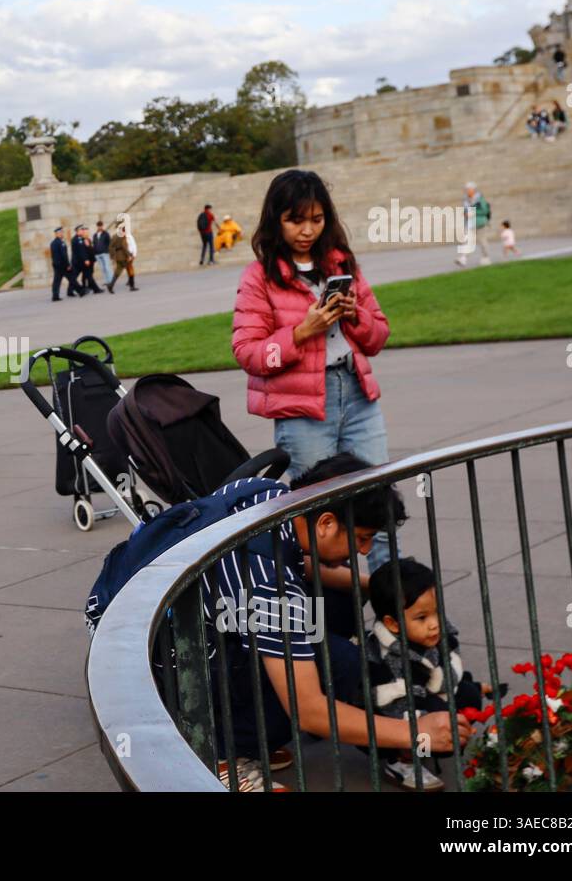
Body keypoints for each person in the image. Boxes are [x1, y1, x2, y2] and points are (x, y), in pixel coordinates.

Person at [205, 455, 470, 791]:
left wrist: (376, 587)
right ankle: (220, 754)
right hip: (185, 675)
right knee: (338, 666)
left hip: (199, 631)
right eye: (362, 537)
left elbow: (296, 559)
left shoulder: (268, 494)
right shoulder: (270, 586)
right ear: (327, 523)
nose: (364, 549)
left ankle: (243, 736)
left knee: (339, 616)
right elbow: (309, 709)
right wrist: (416, 730)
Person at [231, 169, 393, 573]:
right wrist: (302, 332)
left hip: (356, 396)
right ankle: (335, 622)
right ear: (275, 219)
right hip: (302, 411)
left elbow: (378, 337)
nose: (307, 230)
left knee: (378, 509)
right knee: (317, 522)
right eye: (295, 219)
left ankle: (396, 613)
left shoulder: (342, 264)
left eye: (316, 220)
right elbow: (248, 352)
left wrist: (355, 316)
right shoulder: (259, 278)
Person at [364, 557, 488, 790]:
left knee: (469, 696)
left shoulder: (433, 633)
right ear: (393, 624)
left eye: (436, 612)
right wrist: (433, 724)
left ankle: (428, 738)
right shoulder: (389, 659)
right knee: (441, 717)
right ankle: (401, 760)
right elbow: (396, 708)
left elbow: (446, 666)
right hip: (394, 711)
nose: (434, 624)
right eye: (422, 618)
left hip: (426, 692)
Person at [455, 181, 492, 267]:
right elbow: (466, 210)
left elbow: (484, 211)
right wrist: (465, 213)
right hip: (470, 223)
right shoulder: (465, 200)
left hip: (480, 223)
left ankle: (486, 257)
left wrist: (473, 213)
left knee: (482, 241)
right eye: (466, 189)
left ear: (473, 190)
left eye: (469, 189)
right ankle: (463, 258)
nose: (467, 191)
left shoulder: (480, 199)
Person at [107, 217, 137, 292]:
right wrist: (130, 255)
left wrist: (113, 256)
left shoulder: (114, 236)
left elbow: (110, 247)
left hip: (118, 256)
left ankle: (111, 285)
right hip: (123, 256)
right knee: (130, 270)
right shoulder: (122, 236)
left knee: (118, 271)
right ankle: (132, 286)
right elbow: (124, 247)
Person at [49, 226, 79, 301]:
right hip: (62, 265)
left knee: (57, 281)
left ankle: (55, 296)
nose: (62, 234)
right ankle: (81, 291)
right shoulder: (60, 243)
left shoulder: (53, 243)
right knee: (72, 278)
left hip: (57, 265)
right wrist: (68, 265)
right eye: (61, 232)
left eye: (62, 232)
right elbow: (63, 255)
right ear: (57, 234)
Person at [72, 224, 102, 294]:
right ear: (77, 231)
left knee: (87, 276)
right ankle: (94, 289)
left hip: (83, 261)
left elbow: (88, 250)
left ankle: (94, 289)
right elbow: (81, 251)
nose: (82, 231)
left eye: (83, 230)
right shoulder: (76, 239)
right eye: (81, 230)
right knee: (75, 277)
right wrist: (86, 259)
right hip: (80, 262)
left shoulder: (81, 239)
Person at [91, 219, 113, 287]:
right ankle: (107, 281)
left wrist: (110, 252)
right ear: (97, 226)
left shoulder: (106, 234)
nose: (99, 227)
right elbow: (94, 244)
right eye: (98, 226)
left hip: (104, 253)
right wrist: (94, 253)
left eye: (100, 226)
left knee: (107, 267)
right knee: (102, 268)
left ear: (102, 226)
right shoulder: (95, 235)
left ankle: (111, 281)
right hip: (97, 254)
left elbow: (110, 243)